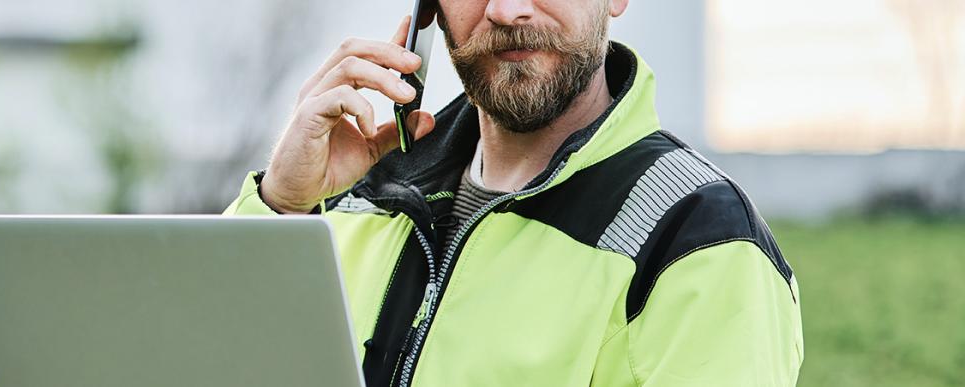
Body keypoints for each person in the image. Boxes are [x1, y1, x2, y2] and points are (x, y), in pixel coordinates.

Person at [224, 0, 803, 385]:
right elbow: (210, 361)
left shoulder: (699, 242)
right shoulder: (347, 191)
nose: (506, 9)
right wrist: (281, 206)